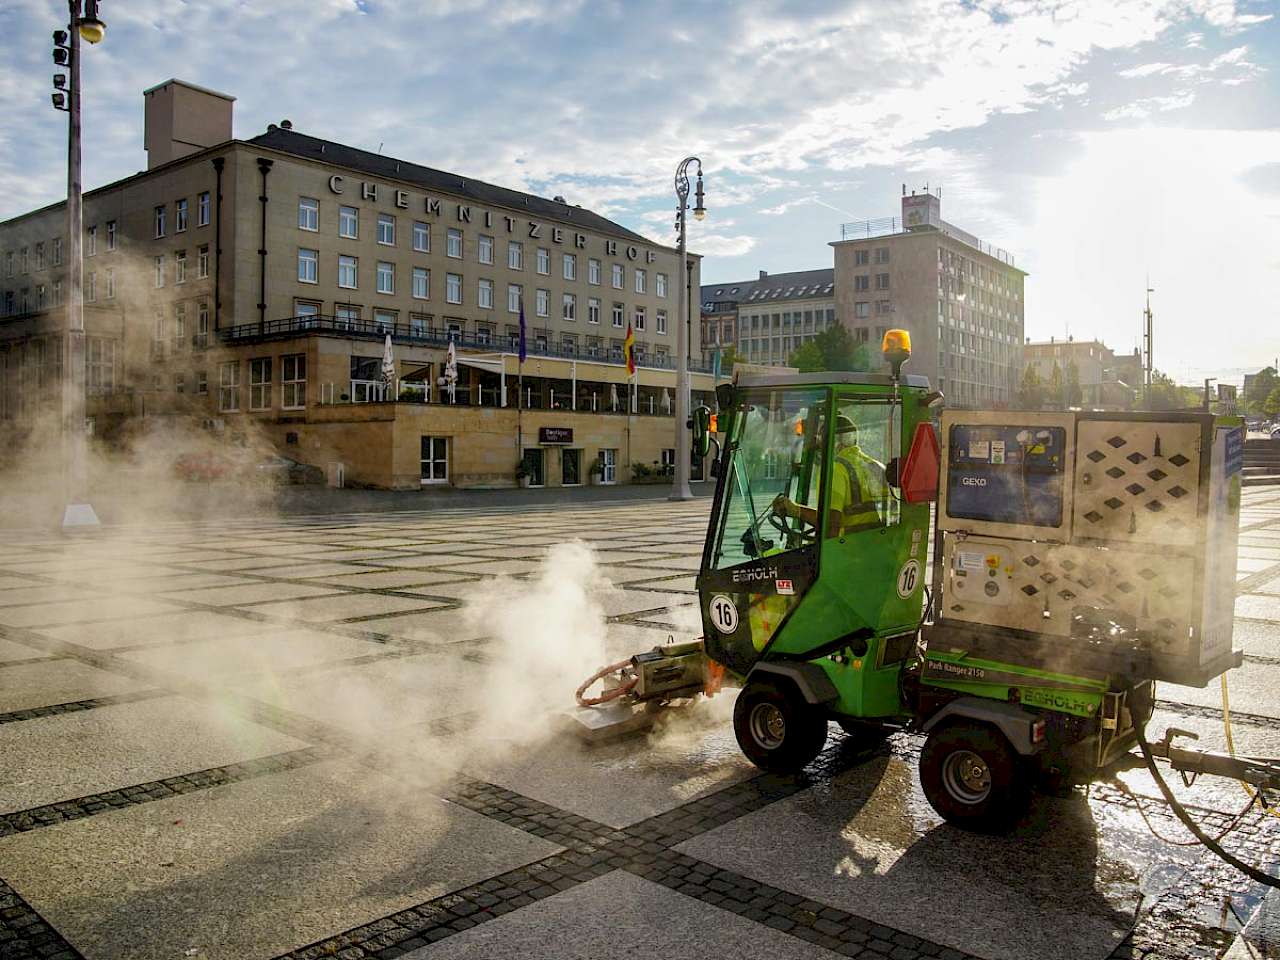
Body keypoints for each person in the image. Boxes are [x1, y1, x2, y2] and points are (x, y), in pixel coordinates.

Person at [772, 414, 887, 538]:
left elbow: (831, 525)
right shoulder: (876, 466)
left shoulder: (835, 468)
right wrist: (797, 510)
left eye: (822, 442)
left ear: (835, 442)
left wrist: (797, 512)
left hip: (849, 546)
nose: (820, 448)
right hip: (878, 542)